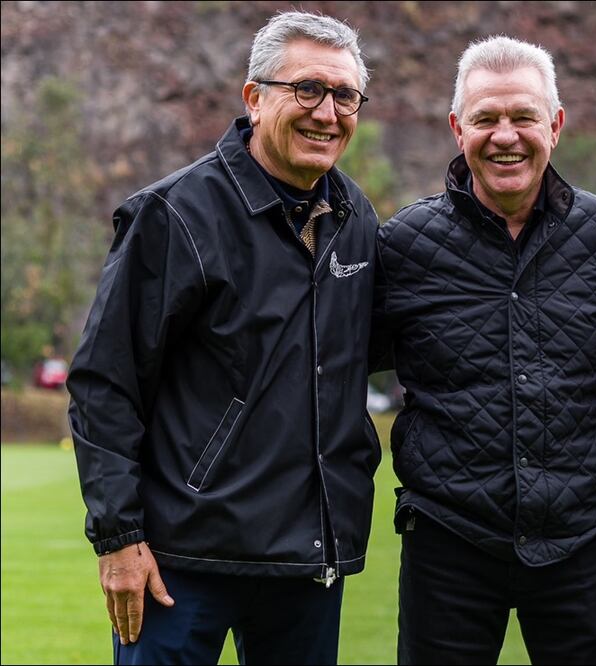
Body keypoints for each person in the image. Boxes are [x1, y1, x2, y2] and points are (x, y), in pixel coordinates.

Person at [67, 11, 381, 665]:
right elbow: (104, 382)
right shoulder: (173, 215)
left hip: (307, 561)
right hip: (181, 564)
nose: (328, 112)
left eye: (344, 95)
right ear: (253, 97)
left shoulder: (355, 217)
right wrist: (118, 538)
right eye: (307, 89)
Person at [371, 35, 596, 665]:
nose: (506, 135)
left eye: (524, 116)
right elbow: (332, 370)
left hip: (580, 542)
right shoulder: (403, 246)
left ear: (554, 125)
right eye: (486, 119)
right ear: (457, 128)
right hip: (448, 542)